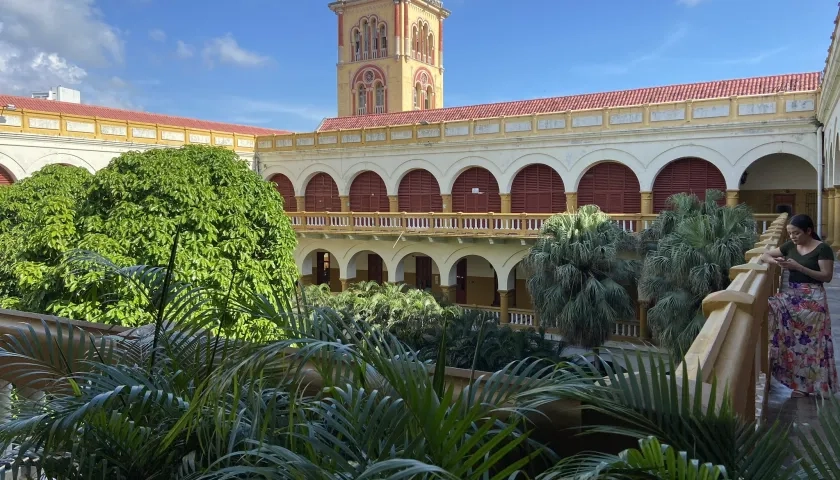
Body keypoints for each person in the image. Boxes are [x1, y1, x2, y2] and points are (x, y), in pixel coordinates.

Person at [761, 214, 837, 398]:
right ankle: (798, 383)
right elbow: (765, 254)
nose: (793, 237)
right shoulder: (790, 246)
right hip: (793, 296)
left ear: (808, 231)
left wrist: (799, 267)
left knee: (813, 345)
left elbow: (826, 276)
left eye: (796, 233)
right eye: (790, 233)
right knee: (794, 341)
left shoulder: (823, 249)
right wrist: (776, 262)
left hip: (813, 300)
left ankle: (814, 387)